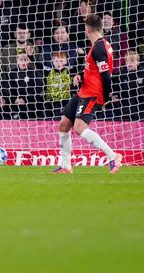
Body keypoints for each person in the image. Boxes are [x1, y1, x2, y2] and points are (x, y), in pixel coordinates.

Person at [52, 14, 123, 174]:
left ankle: (113, 155)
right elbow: (94, 70)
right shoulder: (99, 45)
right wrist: (81, 76)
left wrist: (105, 98)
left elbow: (106, 76)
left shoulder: (99, 48)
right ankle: (66, 165)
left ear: (87, 29)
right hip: (83, 91)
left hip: (92, 94)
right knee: (63, 125)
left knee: (79, 128)